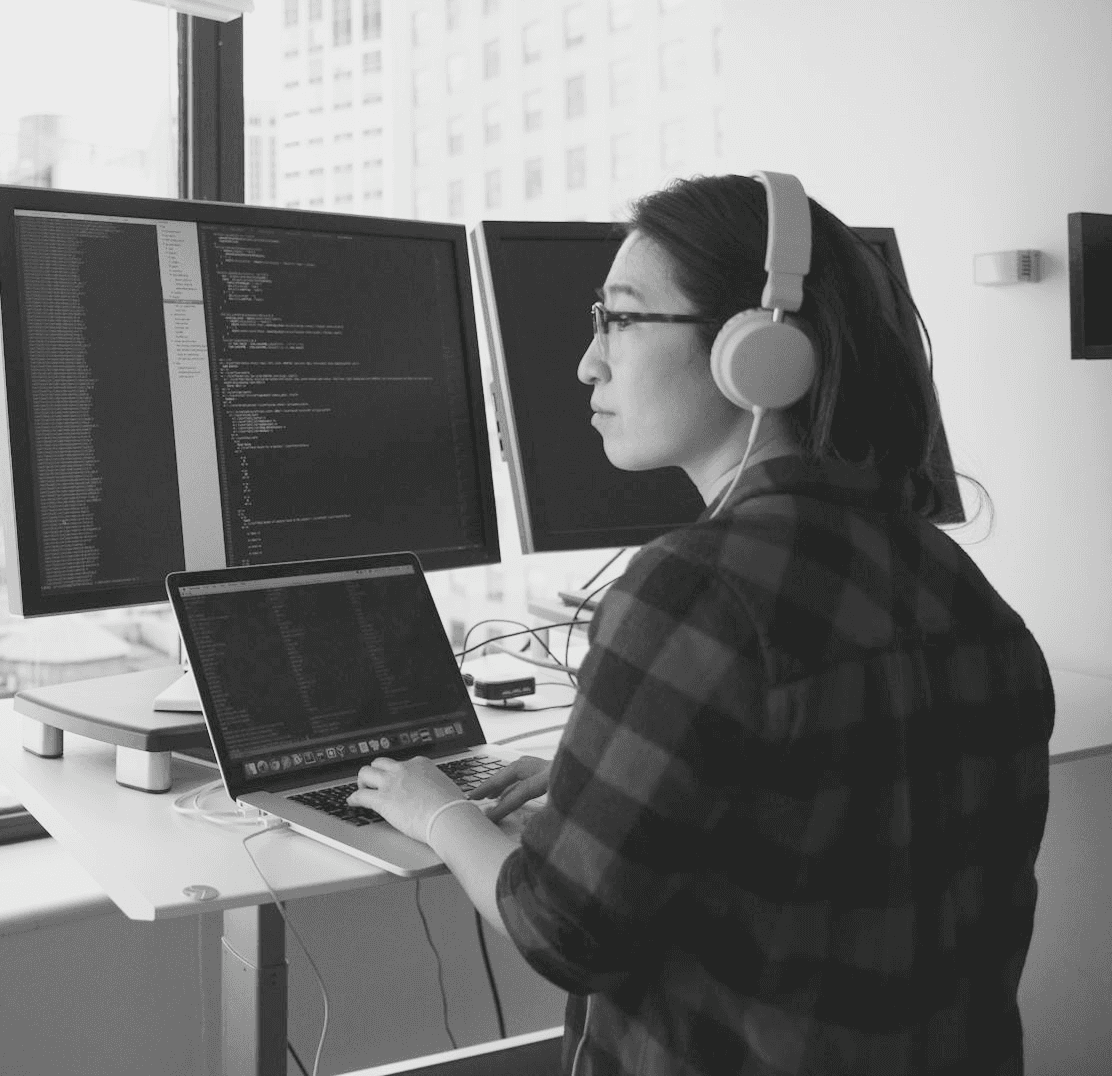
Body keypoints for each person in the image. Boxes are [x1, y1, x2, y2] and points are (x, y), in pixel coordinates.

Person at [349, 174, 1054, 1075]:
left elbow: (561, 930)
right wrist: (594, 780)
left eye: (620, 319)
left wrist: (437, 808)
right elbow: (826, 814)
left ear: (756, 351)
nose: (587, 362)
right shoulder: (959, 586)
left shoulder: (695, 591)